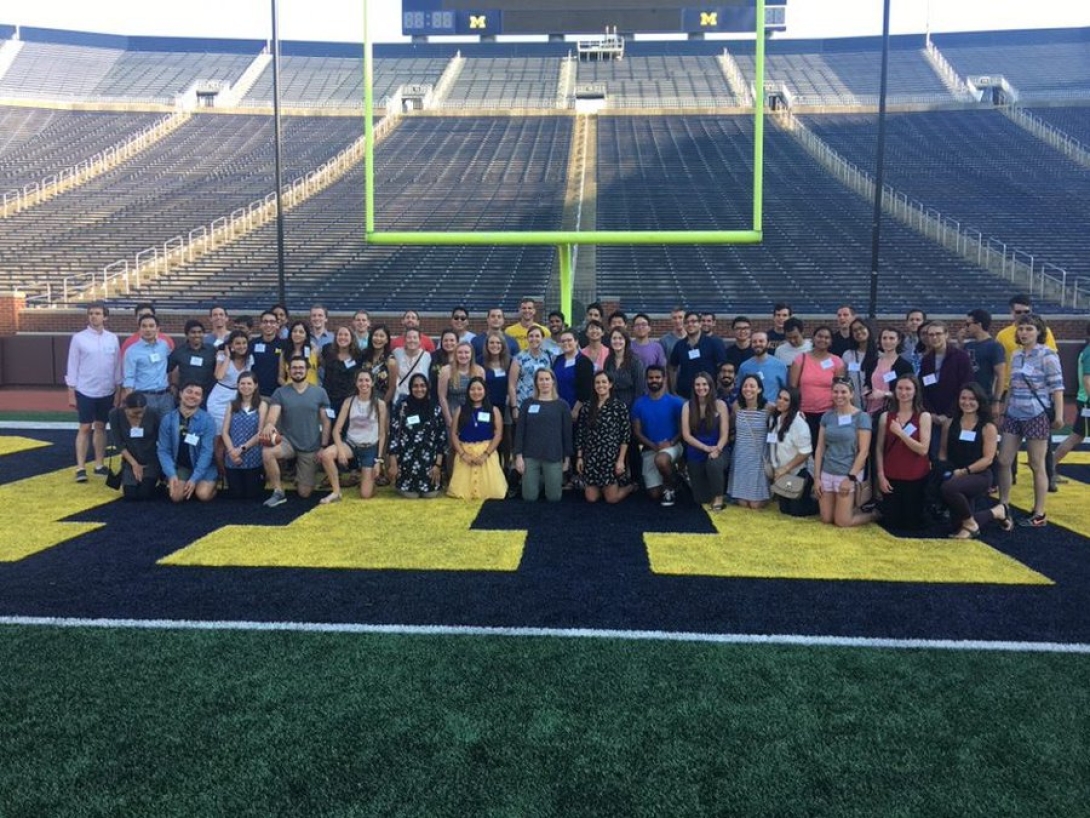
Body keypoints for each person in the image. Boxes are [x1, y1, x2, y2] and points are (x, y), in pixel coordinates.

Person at [997, 314, 1064, 528]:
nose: (1024, 333)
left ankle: (1039, 512)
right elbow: (1012, 385)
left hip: (1036, 413)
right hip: (1014, 412)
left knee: (1037, 464)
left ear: (1038, 332)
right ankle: (1004, 504)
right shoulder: (1016, 355)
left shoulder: (1048, 355)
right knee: (1004, 460)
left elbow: (1057, 388)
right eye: (1021, 329)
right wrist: (1004, 411)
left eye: (1029, 329)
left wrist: (1060, 415)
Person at [262, 356, 332, 507]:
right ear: (289, 370)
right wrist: (269, 424)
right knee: (268, 452)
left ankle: (300, 476)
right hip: (289, 442)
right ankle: (278, 491)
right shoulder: (280, 392)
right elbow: (273, 415)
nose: (297, 370)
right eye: (294, 368)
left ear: (307, 370)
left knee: (304, 493)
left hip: (310, 445)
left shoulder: (320, 392)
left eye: (301, 367)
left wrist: (323, 446)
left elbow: (326, 421)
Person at [939, 383, 1006, 538]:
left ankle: (970, 523)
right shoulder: (949, 423)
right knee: (957, 526)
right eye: (963, 398)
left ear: (979, 401)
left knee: (948, 488)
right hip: (955, 472)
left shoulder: (988, 427)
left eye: (972, 399)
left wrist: (964, 471)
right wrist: (943, 469)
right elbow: (943, 451)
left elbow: (988, 459)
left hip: (979, 475)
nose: (967, 402)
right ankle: (996, 512)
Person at [65, 302, 121, 482]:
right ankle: (80, 467)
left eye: (97, 313)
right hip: (85, 389)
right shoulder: (79, 338)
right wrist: (71, 391)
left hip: (106, 390)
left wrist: (118, 389)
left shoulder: (112, 338)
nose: (94, 316)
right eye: (91, 313)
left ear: (105, 317)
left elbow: (117, 365)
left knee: (101, 427)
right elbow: (72, 365)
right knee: (85, 427)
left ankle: (99, 464)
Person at [813, 378, 878, 528]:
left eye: (843, 392)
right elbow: (820, 448)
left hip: (847, 472)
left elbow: (864, 451)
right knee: (826, 518)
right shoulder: (827, 416)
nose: (839, 395)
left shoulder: (861, 417)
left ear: (851, 394)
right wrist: (817, 477)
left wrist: (850, 478)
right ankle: (844, 507)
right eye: (835, 391)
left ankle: (873, 514)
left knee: (842, 522)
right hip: (828, 471)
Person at [319, 368, 388, 503]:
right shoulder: (349, 402)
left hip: (370, 448)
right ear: (356, 383)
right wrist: (341, 451)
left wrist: (379, 460)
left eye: (367, 380)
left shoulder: (380, 404)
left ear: (372, 382)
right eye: (360, 380)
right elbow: (336, 430)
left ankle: (369, 481)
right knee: (326, 455)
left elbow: (382, 434)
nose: (364, 384)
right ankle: (336, 491)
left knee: (365, 494)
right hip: (351, 444)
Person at [875, 374, 932, 530]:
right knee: (892, 524)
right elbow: (879, 448)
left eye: (908, 388)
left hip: (915, 479)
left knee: (912, 524)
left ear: (915, 392)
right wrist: (880, 476)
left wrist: (901, 434)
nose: (903, 392)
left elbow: (923, 449)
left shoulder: (923, 416)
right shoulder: (885, 417)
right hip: (891, 477)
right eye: (900, 388)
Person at [575, 372, 635, 504]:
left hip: (610, 457)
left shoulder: (619, 407)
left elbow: (625, 435)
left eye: (604, 382)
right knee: (591, 498)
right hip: (591, 456)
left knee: (611, 499)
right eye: (597, 382)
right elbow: (581, 433)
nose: (600, 385)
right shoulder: (586, 407)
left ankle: (630, 487)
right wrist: (579, 457)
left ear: (610, 384)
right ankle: (602, 488)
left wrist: (620, 460)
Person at [513, 368, 572, 502]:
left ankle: (547, 479)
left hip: (553, 455)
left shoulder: (562, 405)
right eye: (541, 379)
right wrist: (518, 456)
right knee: (529, 497)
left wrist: (567, 459)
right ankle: (537, 480)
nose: (544, 383)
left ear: (553, 382)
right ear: (536, 383)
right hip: (530, 455)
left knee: (554, 497)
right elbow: (520, 431)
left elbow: (567, 434)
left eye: (547, 379)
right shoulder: (527, 404)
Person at [631, 365, 686, 506]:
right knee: (654, 494)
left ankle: (669, 488)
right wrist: (653, 445)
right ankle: (675, 479)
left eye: (657, 377)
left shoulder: (676, 403)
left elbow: (683, 430)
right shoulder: (639, 404)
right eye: (650, 378)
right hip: (650, 449)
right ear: (646, 380)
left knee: (661, 460)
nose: (654, 380)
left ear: (664, 379)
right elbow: (637, 431)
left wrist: (671, 443)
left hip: (672, 447)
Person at [387, 372, 447, 499]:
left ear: (427, 387)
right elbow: (393, 436)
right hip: (407, 461)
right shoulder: (402, 407)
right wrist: (393, 464)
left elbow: (441, 438)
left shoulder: (435, 408)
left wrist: (438, 465)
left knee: (431, 494)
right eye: (415, 386)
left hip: (429, 462)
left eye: (422, 385)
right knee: (411, 496)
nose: (419, 389)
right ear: (410, 388)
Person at [158, 381, 218, 503]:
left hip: (203, 467)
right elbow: (163, 450)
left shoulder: (208, 420)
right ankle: (185, 483)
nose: (192, 396)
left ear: (201, 399)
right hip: (182, 466)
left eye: (197, 394)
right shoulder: (168, 419)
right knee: (176, 497)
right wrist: (171, 474)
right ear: (180, 394)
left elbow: (207, 452)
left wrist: (195, 478)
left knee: (203, 495)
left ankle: (211, 483)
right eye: (189, 392)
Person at [448, 376, 507, 500]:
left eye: (479, 389)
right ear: (468, 392)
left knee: (494, 494)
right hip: (465, 453)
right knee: (460, 495)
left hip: (487, 453)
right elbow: (453, 434)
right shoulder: (461, 410)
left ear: (485, 391)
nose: (476, 392)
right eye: (472, 389)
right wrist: (463, 454)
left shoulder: (493, 410)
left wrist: (486, 454)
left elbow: (498, 434)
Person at [681, 372, 730, 511]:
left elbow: (724, 433)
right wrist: (705, 448)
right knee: (701, 498)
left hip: (719, 449)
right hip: (697, 450)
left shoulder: (720, 405)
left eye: (704, 384)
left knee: (713, 463)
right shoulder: (687, 406)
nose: (701, 388)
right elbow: (686, 435)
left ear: (710, 386)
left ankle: (719, 497)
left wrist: (717, 449)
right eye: (697, 384)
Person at [790, 325, 846, 446]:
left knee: (823, 450)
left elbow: (840, 389)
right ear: (813, 338)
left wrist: (839, 412)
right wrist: (795, 410)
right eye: (820, 336)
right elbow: (793, 387)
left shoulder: (837, 361)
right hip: (803, 413)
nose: (823, 340)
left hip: (828, 413)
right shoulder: (801, 359)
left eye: (827, 337)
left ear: (831, 341)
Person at [767, 387, 815, 517]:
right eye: (779, 398)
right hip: (782, 473)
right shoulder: (774, 419)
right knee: (784, 509)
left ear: (793, 403)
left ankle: (818, 502)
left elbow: (805, 452)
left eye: (786, 400)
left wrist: (785, 469)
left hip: (797, 471)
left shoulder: (799, 423)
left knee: (796, 511)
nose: (780, 402)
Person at [919, 321, 974, 434]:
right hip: (932, 417)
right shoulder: (926, 360)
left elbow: (966, 386)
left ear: (946, 335)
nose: (935, 337)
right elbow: (922, 388)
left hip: (956, 416)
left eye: (938, 334)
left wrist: (949, 414)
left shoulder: (961, 357)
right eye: (931, 335)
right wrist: (931, 413)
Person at [220, 371, 267, 500]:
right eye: (242, 383)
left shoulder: (262, 405)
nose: (245, 386)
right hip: (233, 456)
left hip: (252, 455)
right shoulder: (231, 404)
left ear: (255, 385)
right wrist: (232, 452)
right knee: (236, 495)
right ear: (238, 385)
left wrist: (241, 449)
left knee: (252, 495)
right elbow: (225, 431)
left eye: (249, 383)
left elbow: (260, 433)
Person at [106, 392, 161, 500]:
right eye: (136, 413)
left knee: (144, 494)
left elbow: (161, 439)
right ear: (126, 408)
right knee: (130, 495)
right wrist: (134, 464)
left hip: (151, 460)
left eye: (142, 412)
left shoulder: (153, 413)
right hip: (130, 461)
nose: (140, 415)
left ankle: (157, 478)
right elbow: (119, 443)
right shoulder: (115, 415)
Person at [729, 374, 770, 509]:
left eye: (752, 386)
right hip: (741, 456)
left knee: (755, 505)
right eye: (745, 386)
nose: (748, 389)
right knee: (743, 504)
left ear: (759, 389)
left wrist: (799, 413)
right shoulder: (737, 406)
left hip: (758, 457)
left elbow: (786, 412)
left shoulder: (768, 407)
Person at [122, 312, 174, 418]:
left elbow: (170, 366)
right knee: (147, 432)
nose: (148, 329)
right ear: (139, 329)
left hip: (165, 396)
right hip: (144, 397)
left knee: (168, 431)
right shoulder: (132, 351)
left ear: (157, 328)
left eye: (151, 326)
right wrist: (130, 401)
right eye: (144, 326)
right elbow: (129, 377)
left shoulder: (164, 346)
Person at [1054, 321, 1090, 466]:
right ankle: (1051, 466)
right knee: (1076, 436)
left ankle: (1051, 466)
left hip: (1086, 401)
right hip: (1087, 402)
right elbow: (1088, 380)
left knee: (1077, 436)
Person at [206, 330, 254, 440]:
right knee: (219, 437)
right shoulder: (222, 356)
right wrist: (227, 357)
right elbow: (219, 376)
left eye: (244, 343)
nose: (241, 346)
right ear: (231, 345)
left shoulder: (249, 359)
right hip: (219, 399)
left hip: (238, 398)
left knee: (235, 436)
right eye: (237, 343)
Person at [668, 311, 726, 399]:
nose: (690, 324)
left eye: (693, 321)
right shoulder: (679, 345)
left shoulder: (713, 343)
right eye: (687, 322)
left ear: (700, 324)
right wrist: (673, 390)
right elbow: (672, 367)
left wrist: (719, 388)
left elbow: (721, 367)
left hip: (708, 395)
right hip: (684, 395)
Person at [481, 331, 515, 472]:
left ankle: (506, 467)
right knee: (489, 436)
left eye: (498, 343)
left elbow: (513, 383)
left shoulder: (510, 361)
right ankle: (491, 469)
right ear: (487, 345)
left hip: (505, 405)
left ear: (503, 345)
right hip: (487, 406)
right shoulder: (480, 362)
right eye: (492, 343)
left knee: (506, 438)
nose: (495, 346)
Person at [961, 309, 1007, 413]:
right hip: (966, 398)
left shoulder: (994, 346)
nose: (966, 328)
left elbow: (1001, 375)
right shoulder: (968, 345)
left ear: (979, 325)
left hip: (984, 398)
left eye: (968, 324)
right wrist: (960, 343)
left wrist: (996, 401)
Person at [509, 327, 554, 423]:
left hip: (545, 402)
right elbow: (512, 385)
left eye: (537, 336)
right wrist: (514, 407)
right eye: (531, 336)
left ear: (542, 338)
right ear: (527, 338)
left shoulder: (549, 356)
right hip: (523, 404)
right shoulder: (519, 358)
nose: (534, 339)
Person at [864, 328, 912, 415]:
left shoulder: (905, 366)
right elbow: (867, 384)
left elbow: (909, 392)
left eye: (891, 338)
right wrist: (867, 392)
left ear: (898, 341)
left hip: (894, 411)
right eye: (884, 338)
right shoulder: (872, 363)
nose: (887, 341)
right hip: (871, 410)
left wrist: (885, 394)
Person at [438, 341, 485, 430]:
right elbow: (442, 397)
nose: (463, 355)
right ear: (455, 354)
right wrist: (449, 420)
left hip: (473, 414)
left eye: (466, 352)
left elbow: (483, 396)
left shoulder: (479, 371)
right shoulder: (446, 371)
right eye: (460, 352)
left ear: (472, 354)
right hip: (452, 413)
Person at [553, 329, 594, 422]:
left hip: (577, 410)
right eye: (563, 341)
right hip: (558, 408)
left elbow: (586, 389)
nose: (565, 343)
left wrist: (576, 410)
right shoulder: (558, 360)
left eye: (569, 340)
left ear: (576, 342)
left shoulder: (584, 362)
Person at [320, 327, 365, 413]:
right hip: (329, 399)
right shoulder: (327, 351)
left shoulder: (358, 356)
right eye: (340, 334)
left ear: (352, 338)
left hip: (349, 401)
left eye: (346, 335)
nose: (342, 337)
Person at [168, 320, 216, 400]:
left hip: (208, 395)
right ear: (187, 334)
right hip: (186, 395)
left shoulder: (211, 350)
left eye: (199, 332)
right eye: (193, 332)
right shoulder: (179, 351)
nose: (197, 335)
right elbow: (168, 369)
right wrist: (173, 384)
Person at [737, 330, 789, 400]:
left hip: (772, 409)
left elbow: (786, 391)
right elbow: (739, 390)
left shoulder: (780, 365)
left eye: (761, 341)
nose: (758, 344)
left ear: (768, 343)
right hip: (750, 409)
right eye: (754, 342)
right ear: (751, 344)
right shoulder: (744, 367)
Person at [604, 328, 645, 409]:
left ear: (626, 341)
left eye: (620, 338)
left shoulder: (635, 361)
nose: (617, 341)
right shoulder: (608, 360)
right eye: (614, 338)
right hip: (612, 406)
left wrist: (635, 409)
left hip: (630, 405)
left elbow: (639, 388)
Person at [841, 318, 877, 409]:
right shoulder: (847, 355)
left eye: (861, 328)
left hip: (876, 407)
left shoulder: (880, 355)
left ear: (868, 329)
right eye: (855, 330)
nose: (858, 332)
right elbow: (843, 381)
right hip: (854, 406)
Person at [250, 311, 284, 397]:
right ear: (260, 325)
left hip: (278, 395)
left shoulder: (284, 345)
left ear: (277, 325)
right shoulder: (252, 344)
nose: (268, 324)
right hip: (257, 394)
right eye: (265, 322)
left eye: (272, 322)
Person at [392, 328, 432, 399]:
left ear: (419, 341)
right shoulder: (397, 353)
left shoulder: (427, 356)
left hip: (420, 396)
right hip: (400, 396)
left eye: (415, 337)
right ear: (405, 340)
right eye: (409, 337)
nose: (412, 340)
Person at [362, 324, 397, 404]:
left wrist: (383, 405)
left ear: (387, 340)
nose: (378, 339)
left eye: (382, 336)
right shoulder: (364, 355)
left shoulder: (390, 361)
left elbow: (392, 387)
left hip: (381, 401)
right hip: (362, 399)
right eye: (375, 335)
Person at [279, 321, 319, 386]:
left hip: (312, 391)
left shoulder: (314, 351)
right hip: (291, 392)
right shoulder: (285, 353)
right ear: (290, 334)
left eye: (301, 332)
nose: (297, 334)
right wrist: (287, 388)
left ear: (306, 335)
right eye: (294, 331)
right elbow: (280, 378)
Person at [429, 329, 459, 402]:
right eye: (445, 340)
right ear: (441, 342)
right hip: (436, 399)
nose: (448, 343)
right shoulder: (433, 357)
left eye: (452, 340)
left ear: (457, 342)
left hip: (457, 400)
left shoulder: (462, 357)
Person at [901, 309, 928, 375]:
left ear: (924, 322)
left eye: (918, 320)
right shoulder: (901, 344)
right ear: (907, 323)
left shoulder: (930, 343)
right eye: (911, 320)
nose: (914, 322)